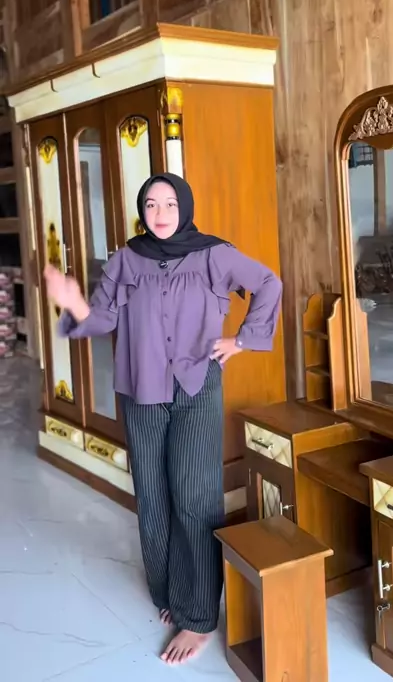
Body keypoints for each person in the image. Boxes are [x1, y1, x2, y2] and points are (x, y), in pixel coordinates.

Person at [44, 173, 282, 665]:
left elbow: (267, 283)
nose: (161, 213)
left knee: (194, 498)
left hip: (197, 387)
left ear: (184, 207)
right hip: (142, 390)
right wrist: (74, 304)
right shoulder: (126, 260)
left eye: (170, 203)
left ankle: (199, 617)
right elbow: (104, 317)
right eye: (151, 204)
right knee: (152, 496)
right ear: (142, 210)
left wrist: (241, 339)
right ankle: (170, 592)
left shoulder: (214, 254)